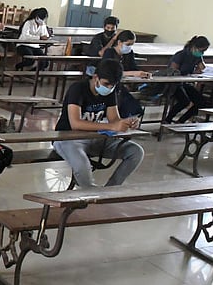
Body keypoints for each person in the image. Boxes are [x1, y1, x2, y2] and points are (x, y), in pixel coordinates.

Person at [53, 59, 144, 188]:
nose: (109, 88)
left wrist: (127, 123)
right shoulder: (78, 89)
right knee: (82, 166)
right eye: (106, 84)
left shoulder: (110, 92)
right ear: (96, 77)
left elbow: (114, 120)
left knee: (135, 152)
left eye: (112, 85)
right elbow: (76, 124)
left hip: (95, 138)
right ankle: (90, 193)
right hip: (68, 139)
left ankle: (110, 189)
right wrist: (112, 126)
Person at [102, 30, 149, 119]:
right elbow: (109, 71)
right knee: (125, 99)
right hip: (112, 83)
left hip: (125, 83)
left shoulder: (129, 54)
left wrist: (142, 73)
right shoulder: (109, 52)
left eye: (132, 45)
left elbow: (134, 68)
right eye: (128, 44)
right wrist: (134, 73)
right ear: (119, 42)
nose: (129, 47)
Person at [164, 36, 210, 124]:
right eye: (201, 51)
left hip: (184, 83)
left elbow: (202, 68)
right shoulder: (181, 55)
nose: (202, 53)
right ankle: (167, 120)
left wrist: (200, 69)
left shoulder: (197, 56)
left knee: (201, 102)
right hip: (173, 84)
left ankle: (181, 122)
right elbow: (172, 72)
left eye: (204, 51)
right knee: (184, 101)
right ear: (194, 47)